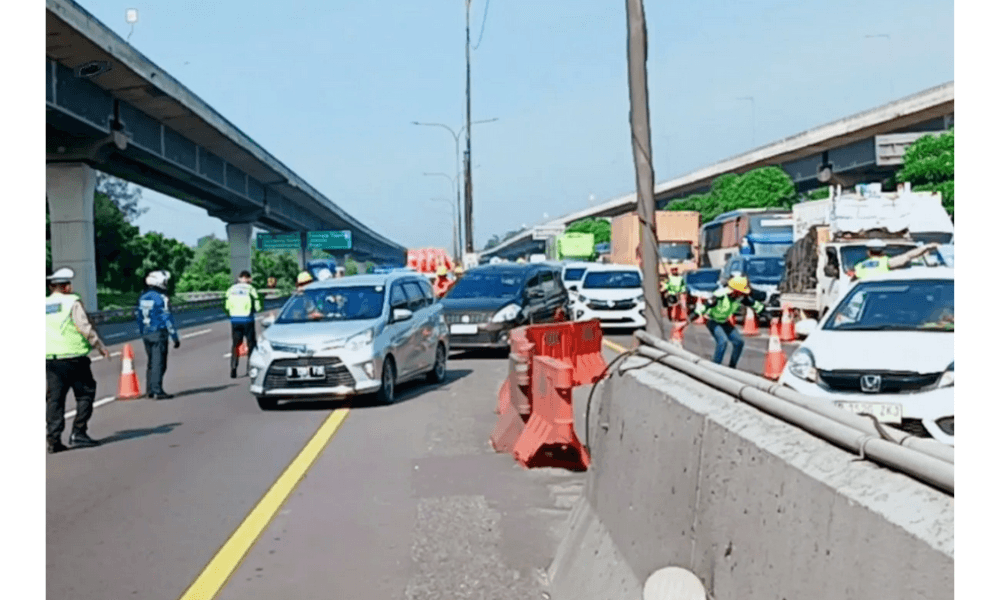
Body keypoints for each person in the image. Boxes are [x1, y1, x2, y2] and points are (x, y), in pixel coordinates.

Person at [46, 268, 110, 453]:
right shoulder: (72, 302)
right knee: (85, 393)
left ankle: (53, 440)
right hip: (74, 358)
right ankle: (79, 433)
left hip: (51, 360)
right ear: (66, 287)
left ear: (52, 287)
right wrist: (100, 347)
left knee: (55, 401)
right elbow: (84, 326)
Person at [676, 275, 766, 368]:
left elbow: (755, 305)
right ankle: (715, 367)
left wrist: (766, 313)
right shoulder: (720, 296)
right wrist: (691, 318)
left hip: (724, 321)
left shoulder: (741, 298)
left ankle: (732, 367)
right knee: (722, 341)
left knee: (739, 342)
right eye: (741, 292)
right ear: (735, 291)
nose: (743, 294)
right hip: (712, 320)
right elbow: (705, 307)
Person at [135, 270, 180, 399]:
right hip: (158, 332)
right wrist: (174, 336)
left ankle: (150, 389)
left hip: (146, 332)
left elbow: (137, 315)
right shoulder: (161, 298)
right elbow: (167, 317)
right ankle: (157, 390)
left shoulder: (142, 296)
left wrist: (143, 330)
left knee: (151, 361)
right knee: (159, 362)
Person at [225, 270, 262, 379]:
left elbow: (227, 306)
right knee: (251, 344)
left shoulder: (231, 289)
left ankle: (233, 367)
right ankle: (250, 368)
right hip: (247, 319)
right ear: (248, 278)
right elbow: (258, 306)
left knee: (236, 344)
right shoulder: (251, 289)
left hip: (235, 320)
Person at [853, 239, 941, 281]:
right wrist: (926, 247)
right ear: (883, 252)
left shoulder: (859, 266)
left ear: (868, 252)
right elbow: (908, 256)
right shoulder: (886, 262)